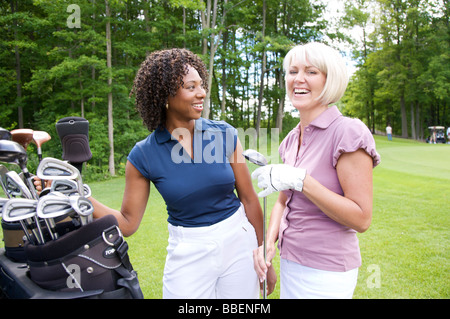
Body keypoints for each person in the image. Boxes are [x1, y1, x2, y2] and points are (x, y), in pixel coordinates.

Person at [87, 48, 276, 298]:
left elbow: (250, 199)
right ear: (166, 96)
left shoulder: (224, 134)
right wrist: (80, 197)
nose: (202, 93)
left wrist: (263, 254)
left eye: (201, 85)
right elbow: (127, 223)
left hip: (239, 241)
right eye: (191, 87)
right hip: (188, 250)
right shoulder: (143, 155)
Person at [252, 42, 381, 299]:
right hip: (292, 261)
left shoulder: (348, 131)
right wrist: (269, 243)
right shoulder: (290, 139)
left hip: (326, 271)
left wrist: (302, 180)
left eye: (311, 72)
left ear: (329, 80)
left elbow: (361, 218)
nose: (298, 79)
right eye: (292, 71)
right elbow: (282, 201)